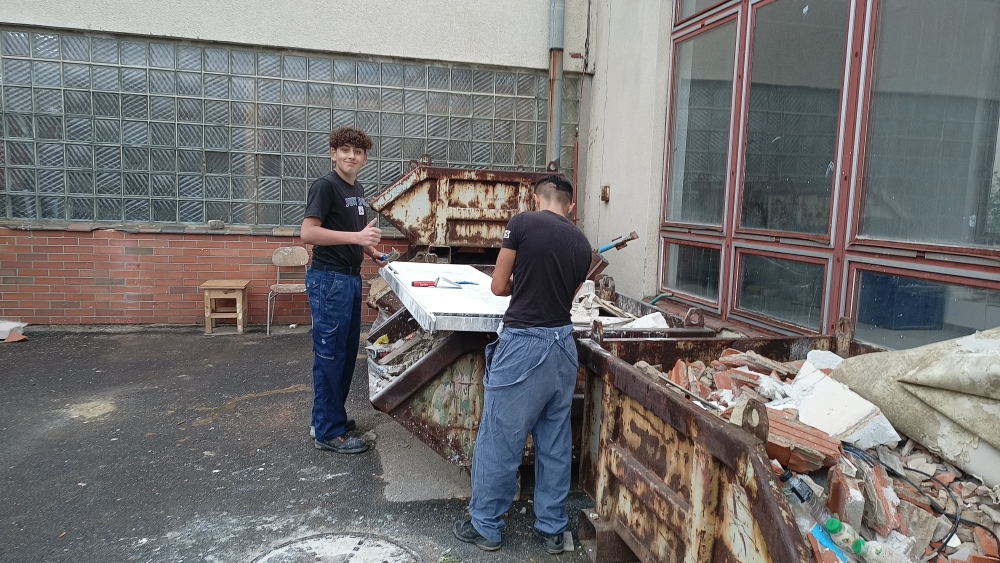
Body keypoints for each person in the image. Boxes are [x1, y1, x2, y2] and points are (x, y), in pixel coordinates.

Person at [453, 175, 592, 553]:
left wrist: (523, 280)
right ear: (571, 206)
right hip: (563, 346)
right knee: (555, 442)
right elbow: (564, 296)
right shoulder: (582, 244)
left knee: (500, 439)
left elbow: (499, 285)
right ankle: (552, 529)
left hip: (524, 346)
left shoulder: (522, 223)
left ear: (535, 199)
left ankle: (486, 525)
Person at [300, 126, 387, 455]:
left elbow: (354, 231)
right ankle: (327, 431)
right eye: (345, 150)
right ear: (333, 153)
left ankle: (328, 418)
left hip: (349, 278)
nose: (351, 156)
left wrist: (372, 251)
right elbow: (308, 233)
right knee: (330, 356)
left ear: (365, 159)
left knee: (346, 354)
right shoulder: (325, 186)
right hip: (329, 280)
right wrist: (357, 239)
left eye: (358, 152)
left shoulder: (357, 188)